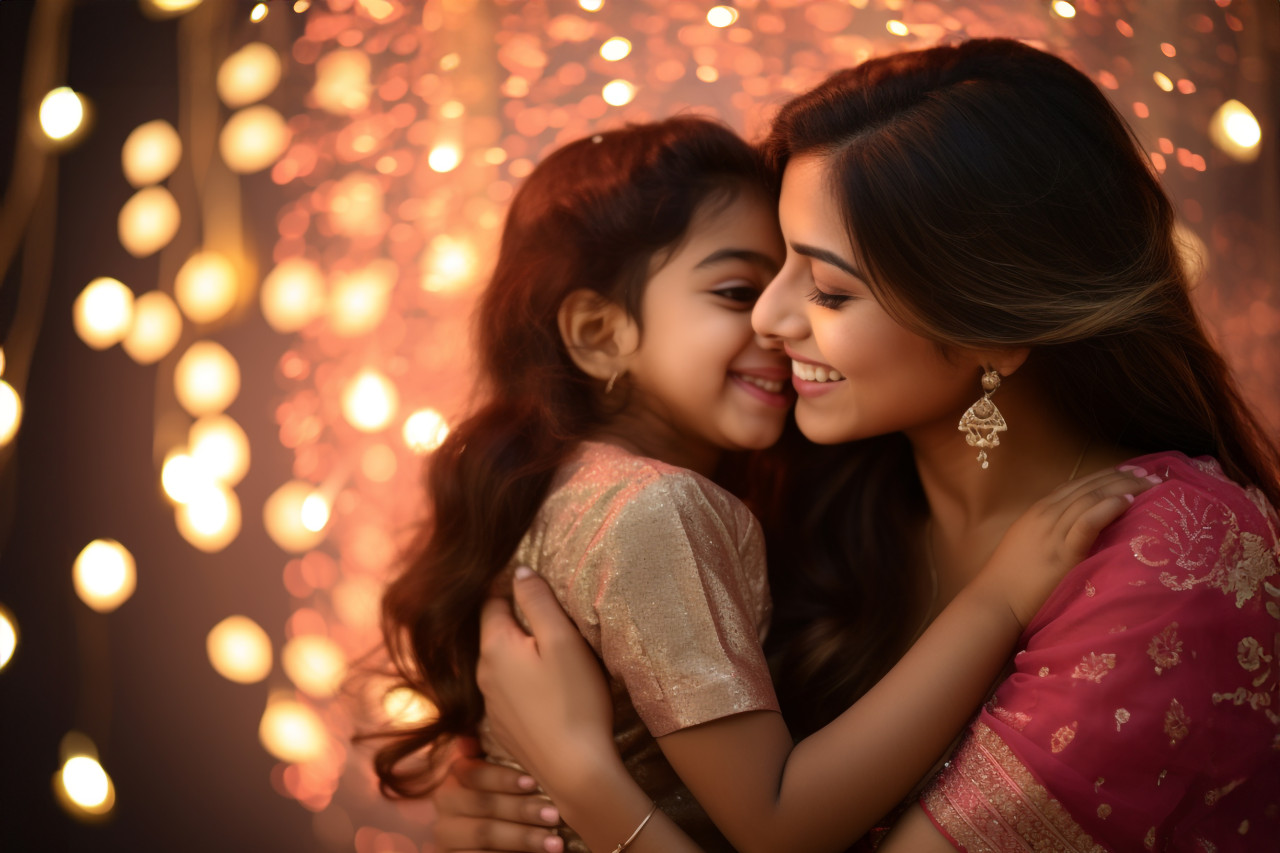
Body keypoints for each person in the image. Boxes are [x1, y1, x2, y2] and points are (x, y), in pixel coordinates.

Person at [436, 38, 1280, 853]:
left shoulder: (1174, 557)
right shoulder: (798, 494)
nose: (770, 319)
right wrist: (504, 804)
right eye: (763, 275)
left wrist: (583, 778)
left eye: (831, 290)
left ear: (993, 326)